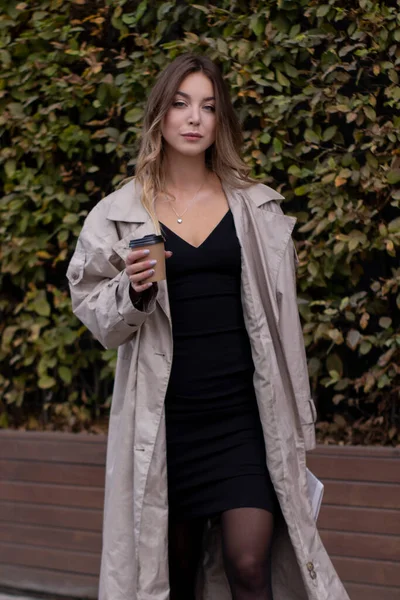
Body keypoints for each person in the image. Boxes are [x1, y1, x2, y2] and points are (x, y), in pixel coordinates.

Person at [67, 54, 350, 600]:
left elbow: (282, 321)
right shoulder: (120, 212)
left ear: (221, 122)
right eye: (180, 104)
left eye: (208, 107)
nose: (194, 118)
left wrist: (298, 416)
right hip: (167, 424)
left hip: (245, 416)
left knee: (250, 564)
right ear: (160, 116)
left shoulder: (255, 208)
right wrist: (136, 291)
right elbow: (96, 315)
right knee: (172, 577)